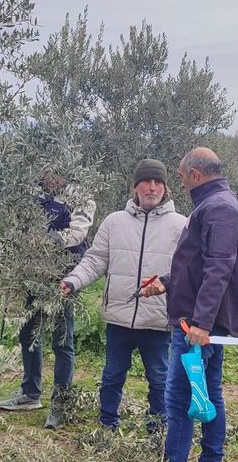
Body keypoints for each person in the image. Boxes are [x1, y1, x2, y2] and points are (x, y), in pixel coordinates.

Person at [143, 147, 238, 462]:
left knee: (178, 399)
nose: (181, 184)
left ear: (195, 174)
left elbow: (219, 269)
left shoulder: (219, 208)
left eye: (181, 178)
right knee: (210, 390)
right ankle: (211, 457)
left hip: (196, 324)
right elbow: (197, 263)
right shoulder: (213, 204)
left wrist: (201, 323)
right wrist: (166, 282)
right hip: (200, 319)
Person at [60, 159, 185, 431]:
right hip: (119, 315)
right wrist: (72, 282)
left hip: (158, 318)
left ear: (166, 188)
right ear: (135, 187)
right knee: (113, 375)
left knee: (160, 378)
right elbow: (95, 260)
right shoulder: (114, 222)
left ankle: (156, 429)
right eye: (146, 181)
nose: (152, 187)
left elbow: (187, 272)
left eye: (158, 182)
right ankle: (107, 425)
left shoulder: (180, 226)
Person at [0, 173, 96, 429]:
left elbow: (77, 234)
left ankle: (60, 405)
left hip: (63, 275)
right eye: (45, 171)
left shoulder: (81, 198)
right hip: (33, 273)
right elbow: (18, 225)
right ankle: (30, 394)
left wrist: (41, 241)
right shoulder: (34, 194)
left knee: (62, 339)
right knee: (28, 332)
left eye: (54, 171)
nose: (49, 177)